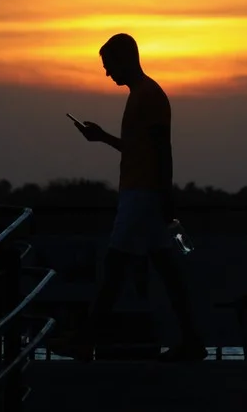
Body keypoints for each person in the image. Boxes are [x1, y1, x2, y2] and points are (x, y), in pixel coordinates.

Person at [52, 33, 206, 362]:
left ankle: (85, 342)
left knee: (114, 268)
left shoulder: (148, 96)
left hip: (142, 196)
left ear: (125, 59)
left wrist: (165, 195)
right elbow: (140, 149)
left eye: (109, 65)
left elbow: (163, 150)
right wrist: (103, 137)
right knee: (165, 271)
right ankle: (192, 340)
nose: (107, 73)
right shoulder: (141, 96)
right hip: (144, 195)